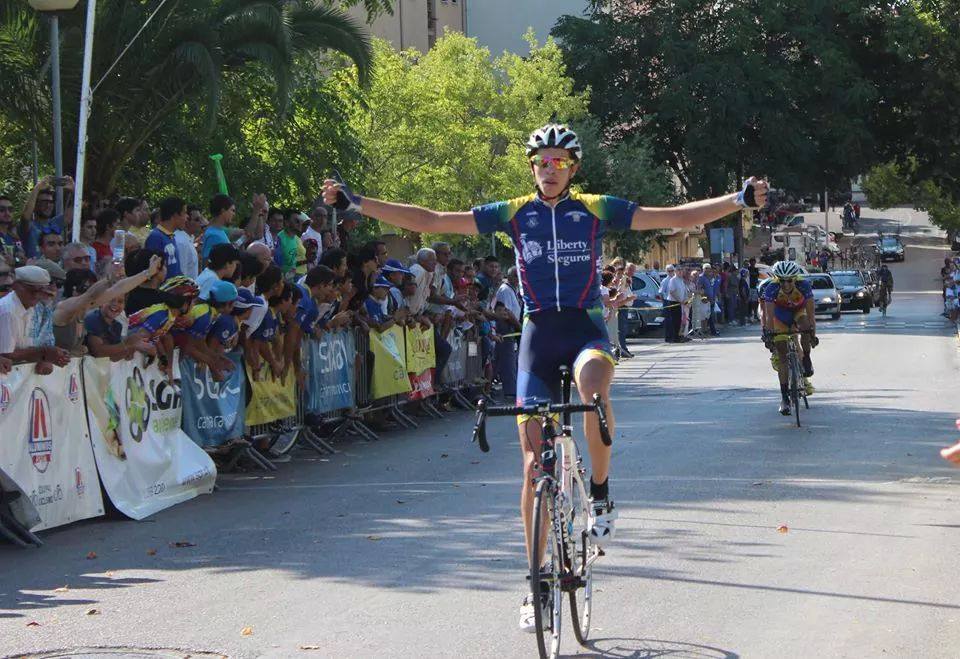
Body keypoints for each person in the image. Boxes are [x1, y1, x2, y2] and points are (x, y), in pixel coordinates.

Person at [322, 121, 768, 631]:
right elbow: (433, 219)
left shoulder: (594, 208)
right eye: (541, 162)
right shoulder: (514, 213)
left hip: (585, 329)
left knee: (593, 388)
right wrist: (357, 203)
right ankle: (535, 583)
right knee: (533, 467)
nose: (549, 169)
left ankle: (600, 491)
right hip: (538, 336)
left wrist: (737, 200)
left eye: (559, 162)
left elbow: (673, 215)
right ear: (532, 168)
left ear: (573, 169)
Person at [761, 261, 817, 416]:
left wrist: (812, 335)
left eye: (789, 280)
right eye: (782, 281)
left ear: (795, 278)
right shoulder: (772, 288)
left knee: (805, 326)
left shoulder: (804, 285)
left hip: (798, 312)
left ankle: (806, 358)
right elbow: (769, 315)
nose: (786, 284)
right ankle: (784, 398)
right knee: (782, 354)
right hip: (780, 316)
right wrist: (769, 334)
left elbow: (811, 314)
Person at [0, 265, 70, 374]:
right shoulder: (7, 311)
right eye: (31, 290)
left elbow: (27, 347)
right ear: (16, 286)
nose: (36, 295)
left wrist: (51, 356)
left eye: (41, 290)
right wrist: (44, 353)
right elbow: (6, 354)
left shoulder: (32, 308)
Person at [145, 196, 187, 279]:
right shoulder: (155, 237)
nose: (187, 217)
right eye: (185, 213)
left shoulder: (170, 236)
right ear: (175, 215)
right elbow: (152, 274)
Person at [201, 194, 236, 261]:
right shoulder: (213, 235)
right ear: (223, 211)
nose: (234, 214)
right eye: (232, 210)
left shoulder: (218, 231)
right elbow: (207, 262)